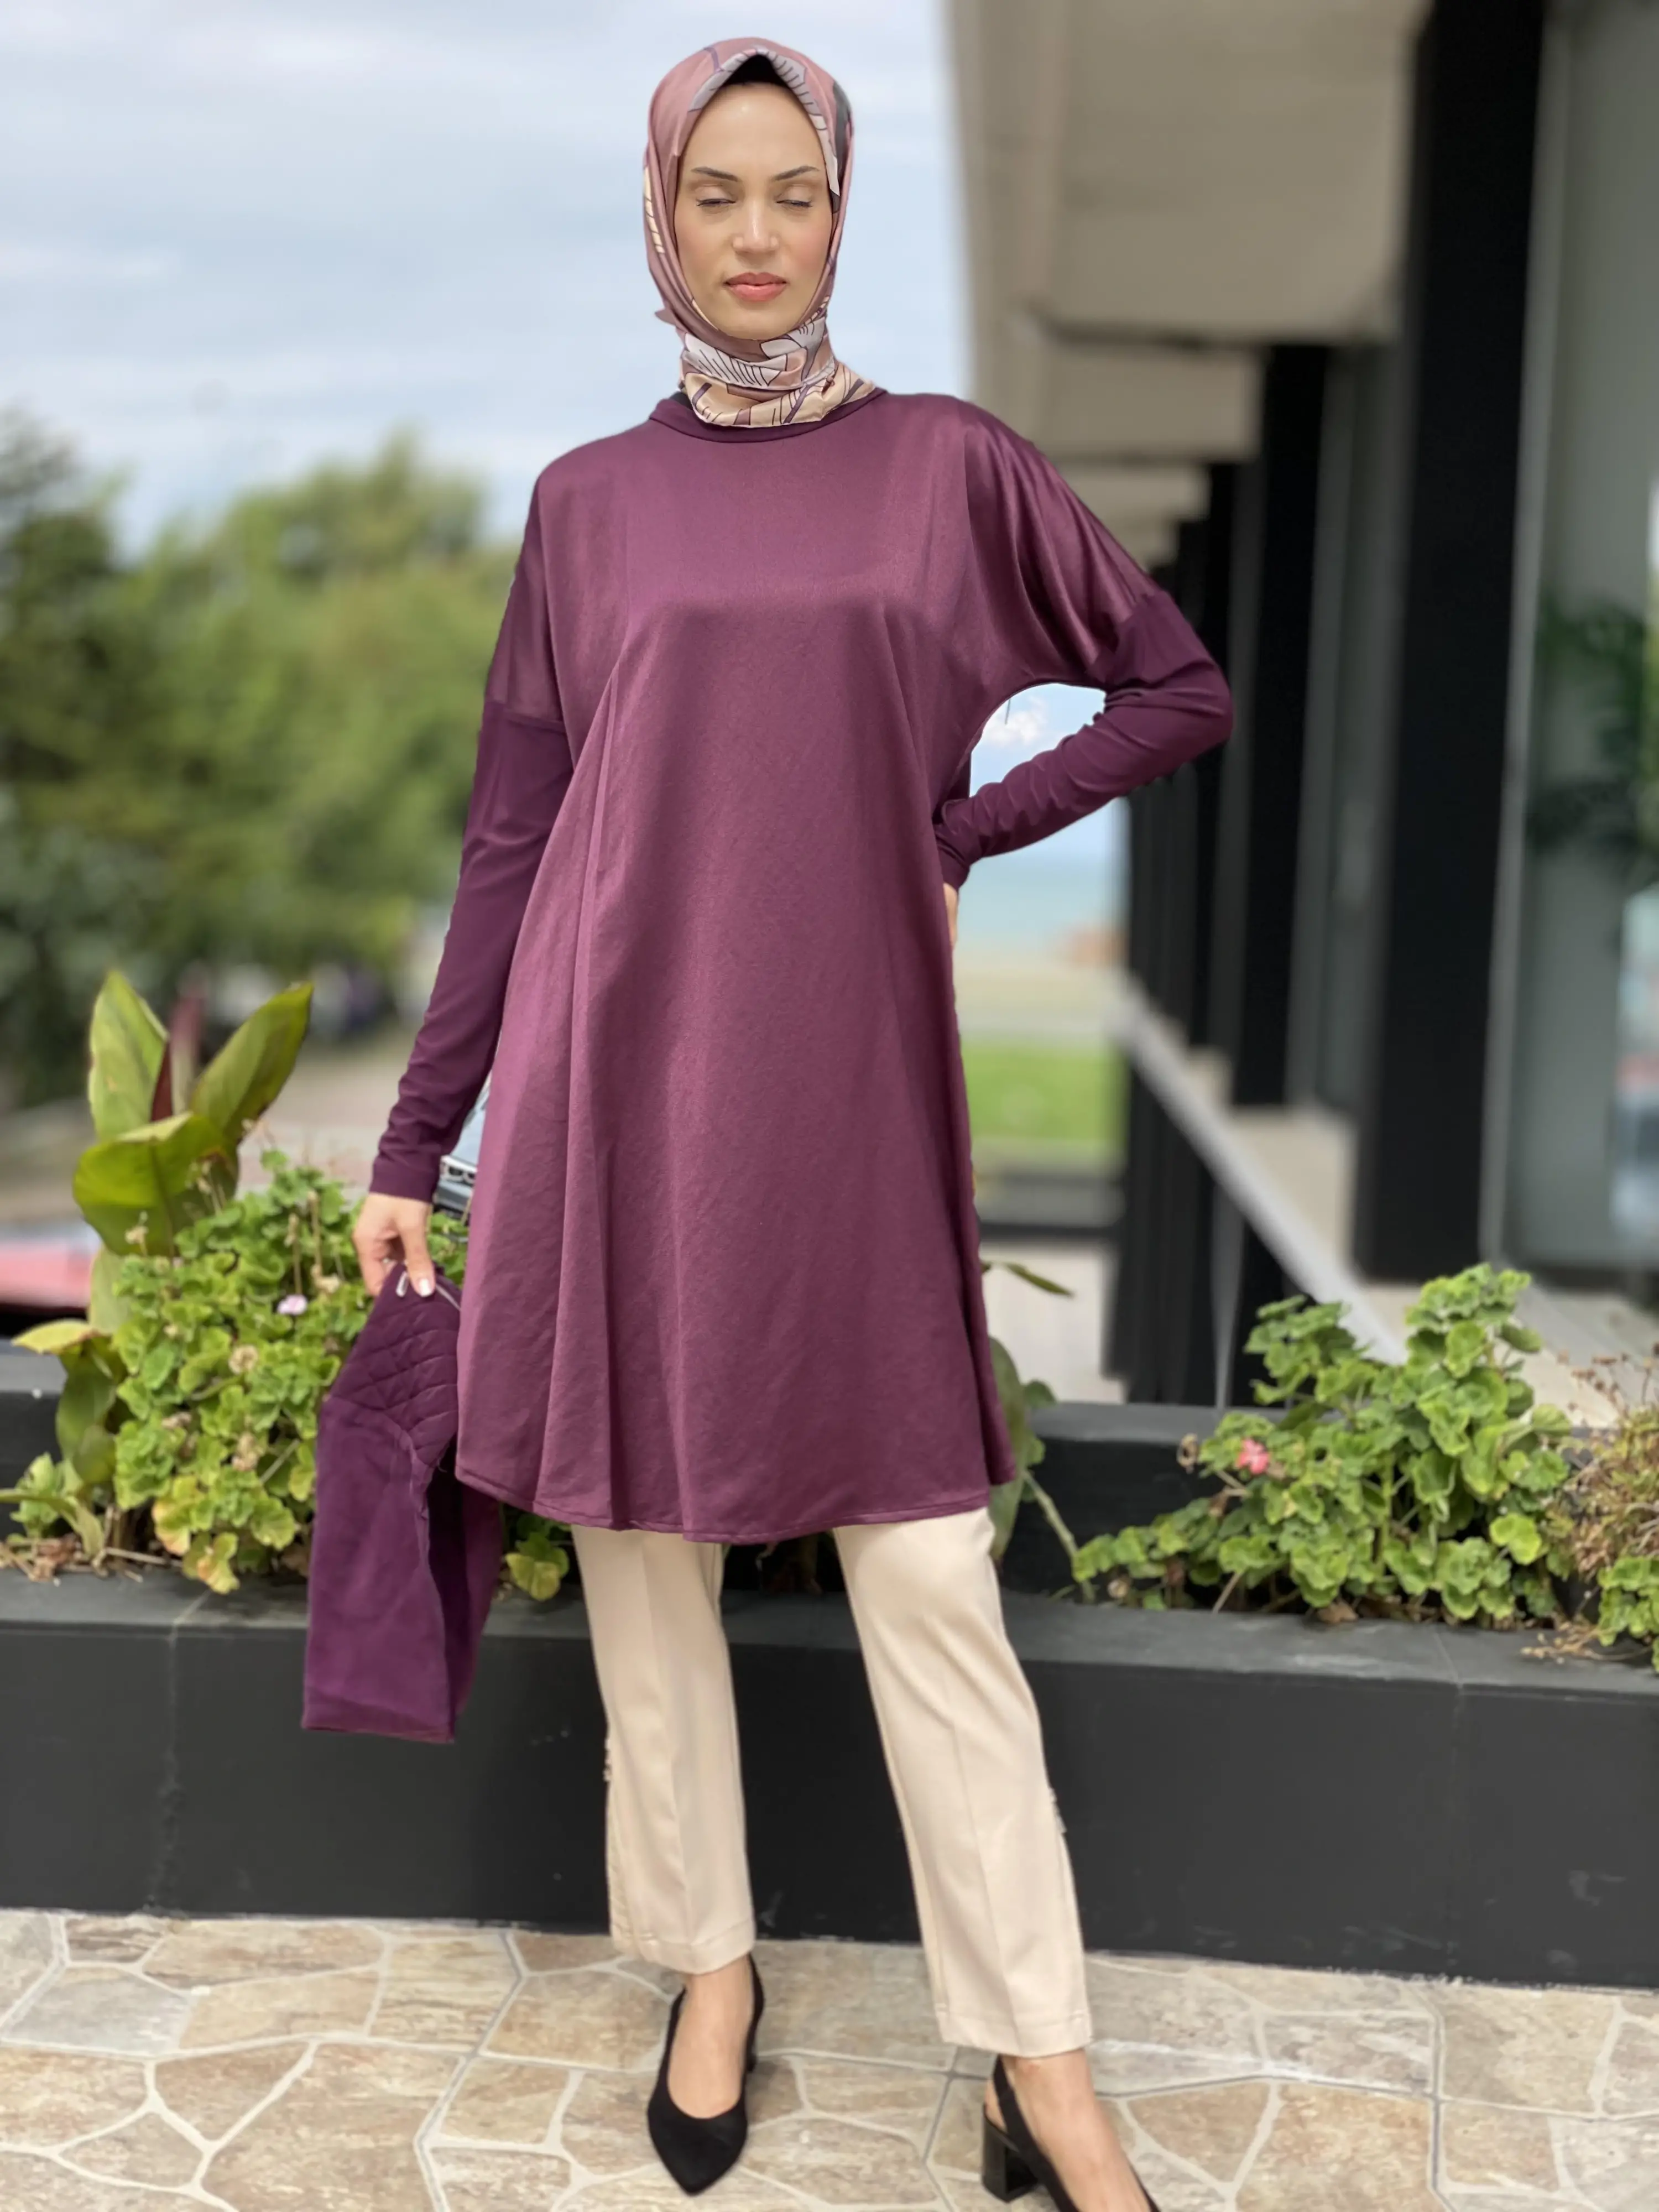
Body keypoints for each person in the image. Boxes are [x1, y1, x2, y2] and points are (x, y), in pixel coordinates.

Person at [353, 36, 1229, 2211]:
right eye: (715, 194)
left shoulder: (950, 470)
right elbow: (512, 838)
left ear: (845, 212)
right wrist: (413, 1140)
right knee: (645, 1572)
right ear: (660, 213)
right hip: (607, 1102)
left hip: (847, 1104)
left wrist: (959, 826)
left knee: (929, 1574)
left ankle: (1041, 2061)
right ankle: (712, 1970)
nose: (757, 237)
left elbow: (1174, 683)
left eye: (797, 194)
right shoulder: (587, 505)